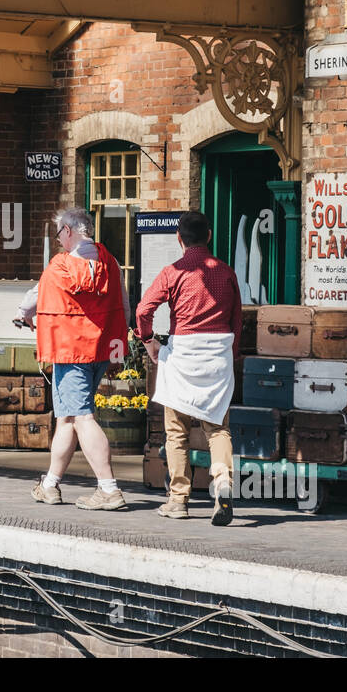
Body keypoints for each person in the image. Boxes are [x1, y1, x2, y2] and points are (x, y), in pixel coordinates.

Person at [14, 208, 132, 510]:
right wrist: (118, 346)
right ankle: (50, 485)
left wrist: (22, 314)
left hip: (69, 350)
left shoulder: (60, 266)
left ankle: (109, 488)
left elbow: (37, 294)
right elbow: (124, 305)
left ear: (68, 231)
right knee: (66, 417)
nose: (59, 241)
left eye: (59, 235)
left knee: (81, 416)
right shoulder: (110, 262)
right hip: (100, 348)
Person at [136, 211, 243, 526]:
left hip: (183, 354)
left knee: (176, 430)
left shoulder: (173, 272)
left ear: (179, 238)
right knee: (218, 428)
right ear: (209, 235)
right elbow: (238, 321)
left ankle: (178, 499)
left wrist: (148, 341)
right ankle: (222, 481)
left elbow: (144, 310)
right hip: (218, 355)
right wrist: (231, 356)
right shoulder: (226, 273)